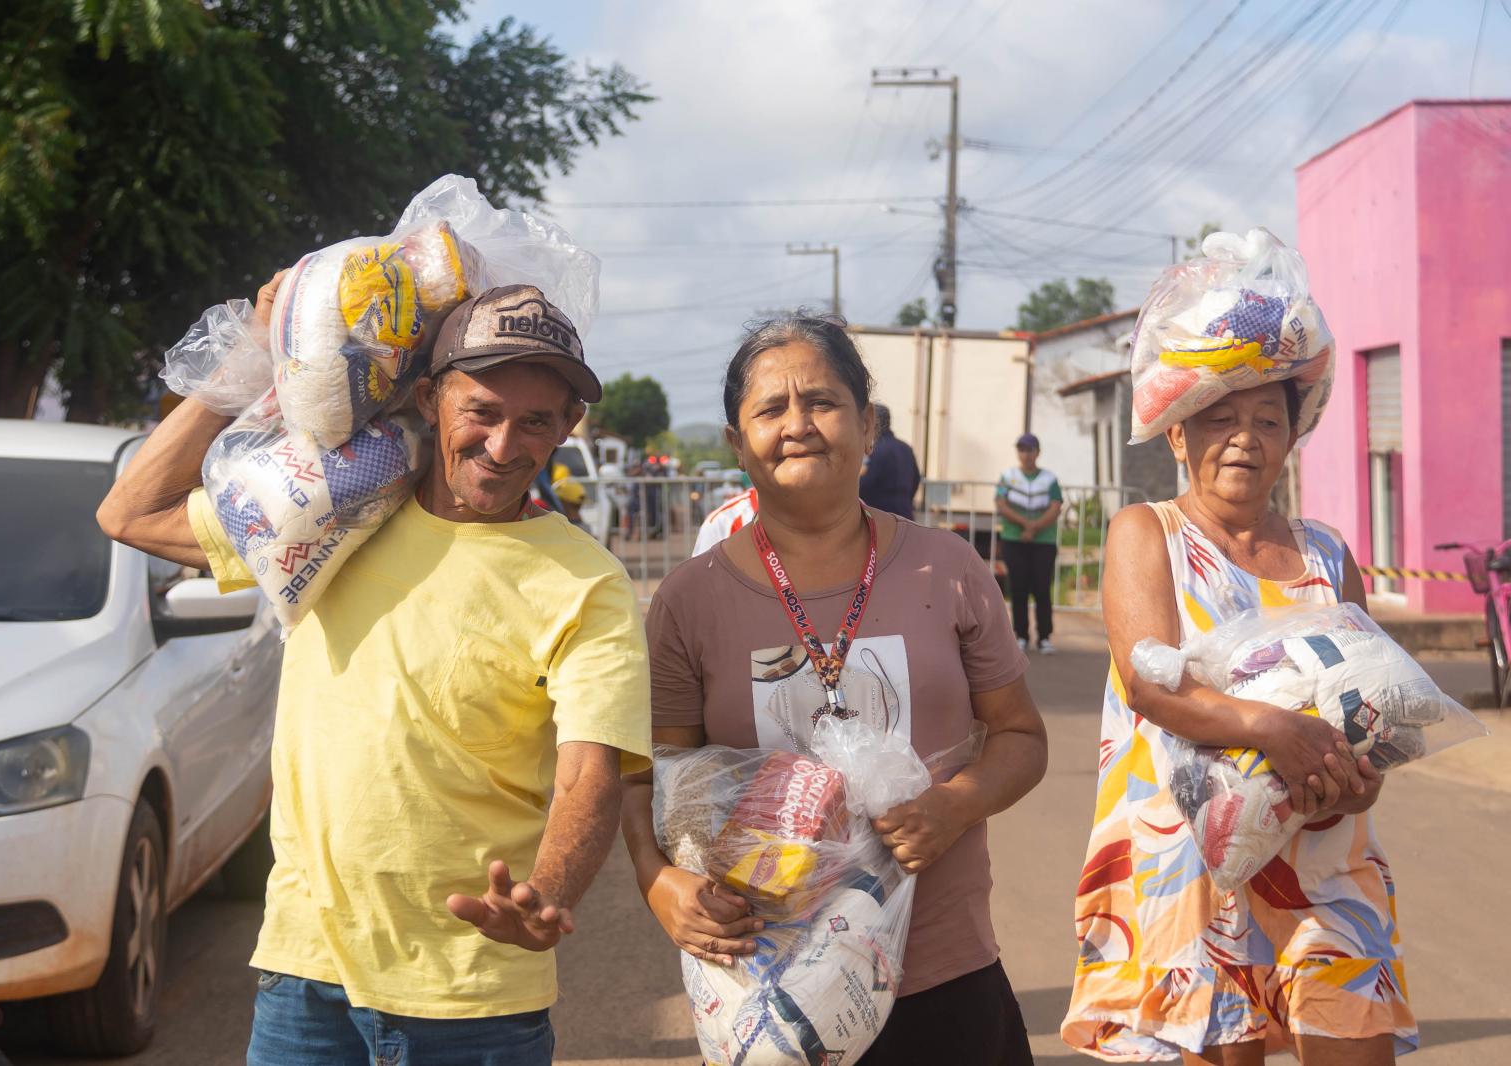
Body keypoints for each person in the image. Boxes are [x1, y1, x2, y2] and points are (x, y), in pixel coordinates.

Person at [97, 279, 652, 1066]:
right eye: (482, 413)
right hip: (304, 975)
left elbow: (589, 774)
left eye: (535, 421)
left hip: (473, 996)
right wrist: (254, 351)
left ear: (569, 425)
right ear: (430, 399)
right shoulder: (336, 517)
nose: (503, 447)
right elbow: (129, 512)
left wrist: (547, 894)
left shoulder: (586, 583)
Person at [622, 313, 1049, 1063]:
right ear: (734, 443)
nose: (798, 425)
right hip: (766, 988)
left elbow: (1020, 736)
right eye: (769, 409)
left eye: (821, 401)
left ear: (868, 425)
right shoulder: (690, 600)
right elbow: (650, 774)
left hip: (944, 974)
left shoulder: (946, 568)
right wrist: (659, 883)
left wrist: (955, 805)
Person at [1061, 245, 1411, 1062]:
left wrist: (1362, 782)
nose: (1244, 440)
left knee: (1357, 1040)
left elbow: (1374, 707)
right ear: (1178, 436)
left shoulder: (1329, 557)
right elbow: (1151, 686)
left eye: (1267, 420)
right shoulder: (1148, 535)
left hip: (1324, 860)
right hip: (1189, 869)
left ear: (1293, 436)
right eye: (1221, 419)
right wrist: (1274, 730)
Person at [995, 433, 1063, 654]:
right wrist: (1026, 524)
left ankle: (1044, 636)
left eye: (1030, 449)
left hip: (1043, 541)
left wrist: (1034, 528)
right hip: (1014, 540)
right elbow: (1001, 503)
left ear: (1038, 452)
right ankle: (1021, 635)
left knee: (1042, 588)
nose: (1026, 454)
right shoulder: (1008, 477)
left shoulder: (1049, 479)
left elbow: (1055, 506)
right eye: (1022, 450)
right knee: (1019, 588)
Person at [858, 402, 921, 519]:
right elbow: (916, 479)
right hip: (906, 514)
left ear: (872, 422)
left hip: (882, 517)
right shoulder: (905, 448)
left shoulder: (875, 449)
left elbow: (866, 484)